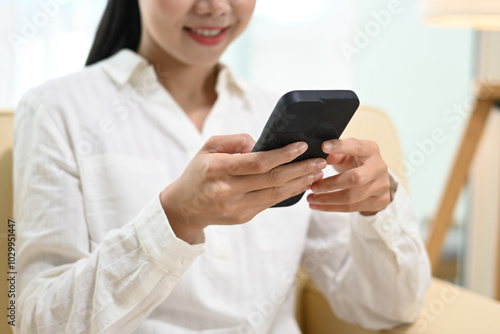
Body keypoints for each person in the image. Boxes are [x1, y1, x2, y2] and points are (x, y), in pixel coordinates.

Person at [13, 0, 430, 333]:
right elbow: (36, 322)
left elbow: (391, 309)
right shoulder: (57, 110)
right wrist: (176, 219)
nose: (215, 6)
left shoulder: (273, 115)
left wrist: (379, 206)